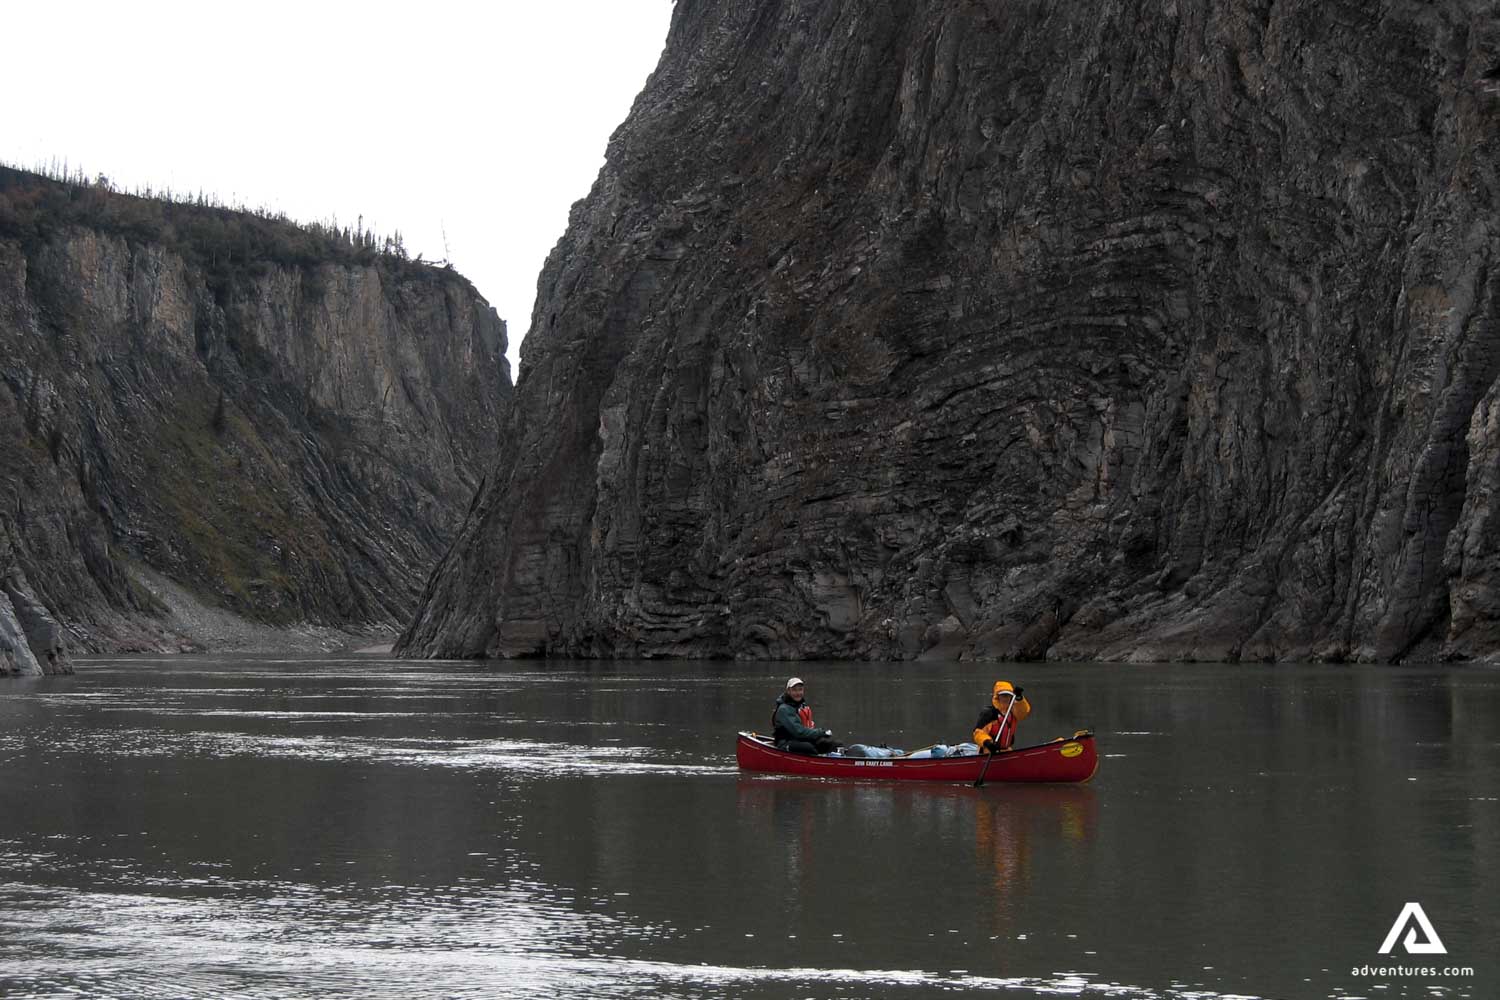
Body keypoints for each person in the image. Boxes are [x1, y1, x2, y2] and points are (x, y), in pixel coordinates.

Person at [772, 677, 841, 755]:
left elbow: (807, 728)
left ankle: (838, 760)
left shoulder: (800, 706)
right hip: (785, 743)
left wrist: (818, 735)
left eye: (800, 689)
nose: (798, 693)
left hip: (800, 740)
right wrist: (821, 732)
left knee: (835, 745)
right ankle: (820, 763)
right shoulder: (784, 709)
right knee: (808, 748)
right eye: (794, 690)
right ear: (788, 691)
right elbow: (799, 732)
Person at [973, 680, 1030, 754]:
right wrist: (987, 743)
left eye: (1008, 695)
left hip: (1007, 751)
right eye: (1003, 695)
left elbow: (1023, 713)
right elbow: (978, 733)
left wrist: (1020, 698)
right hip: (989, 752)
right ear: (997, 697)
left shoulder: (1013, 711)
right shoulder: (989, 713)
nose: (1006, 698)